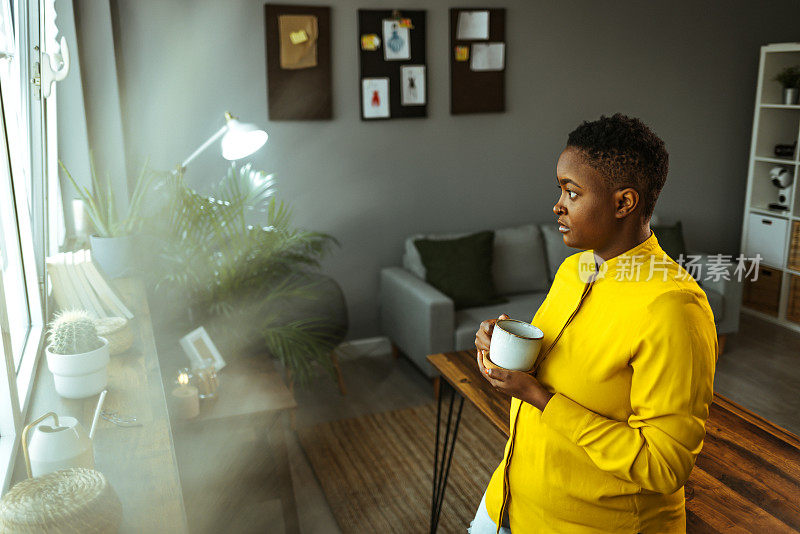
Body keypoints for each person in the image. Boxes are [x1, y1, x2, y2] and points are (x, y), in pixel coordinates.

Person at [470, 114, 717, 533]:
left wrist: (543, 399)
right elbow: (565, 370)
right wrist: (507, 348)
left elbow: (664, 465)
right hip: (509, 502)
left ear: (623, 203)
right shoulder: (576, 270)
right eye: (560, 189)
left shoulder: (673, 308)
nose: (558, 205)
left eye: (572, 192)